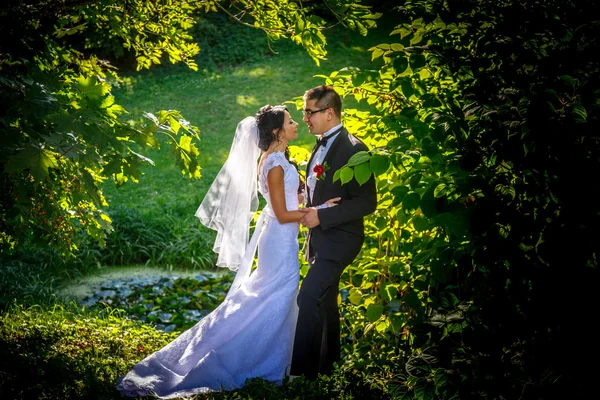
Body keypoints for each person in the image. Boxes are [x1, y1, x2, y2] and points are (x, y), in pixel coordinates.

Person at [116, 105, 339, 398]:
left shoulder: (277, 161)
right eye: (290, 121)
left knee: (272, 294)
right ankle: (248, 357)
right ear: (277, 132)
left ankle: (276, 357)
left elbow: (283, 203)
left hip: (281, 238)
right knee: (276, 293)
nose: (296, 124)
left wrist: (301, 197)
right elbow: (284, 214)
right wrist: (319, 210)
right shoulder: (273, 165)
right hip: (279, 239)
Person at [290, 85, 378, 380]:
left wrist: (322, 215)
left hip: (341, 240)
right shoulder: (321, 142)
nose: (304, 118)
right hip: (324, 237)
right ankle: (329, 366)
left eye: (308, 112)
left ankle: (304, 375)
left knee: (309, 296)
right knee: (325, 300)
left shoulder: (355, 149)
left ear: (329, 113)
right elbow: (322, 188)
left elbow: (367, 202)